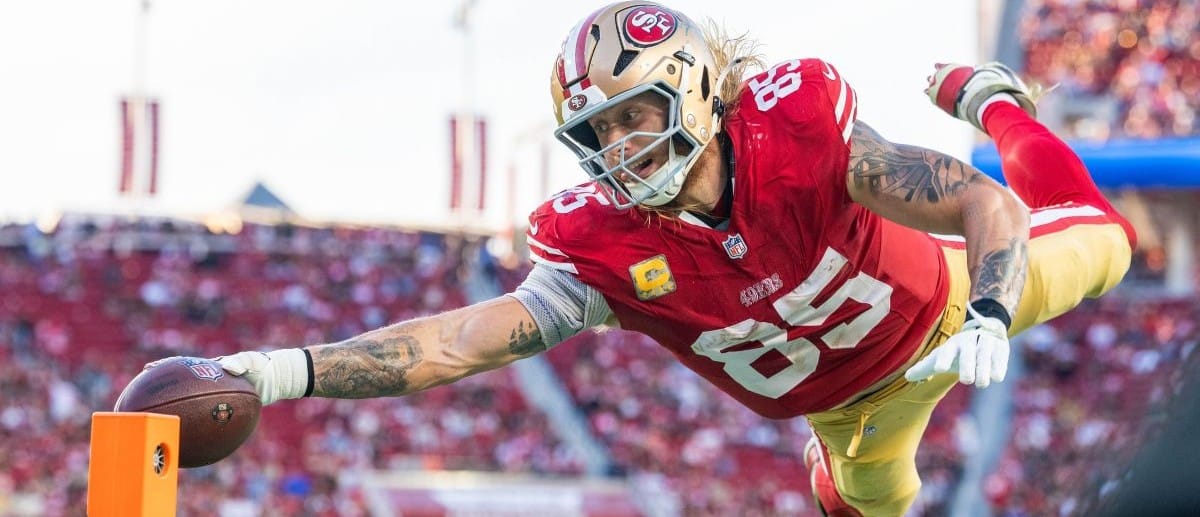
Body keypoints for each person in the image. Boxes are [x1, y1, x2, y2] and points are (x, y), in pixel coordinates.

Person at [171, 2, 1136, 515]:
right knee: (874, 507)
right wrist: (277, 371)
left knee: (1106, 241)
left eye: (634, 114)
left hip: (948, 304)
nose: (619, 146)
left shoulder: (797, 126)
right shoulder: (597, 241)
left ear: (697, 88)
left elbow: (981, 204)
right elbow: (457, 343)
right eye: (597, 131)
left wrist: (992, 309)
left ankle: (995, 101)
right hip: (845, 412)